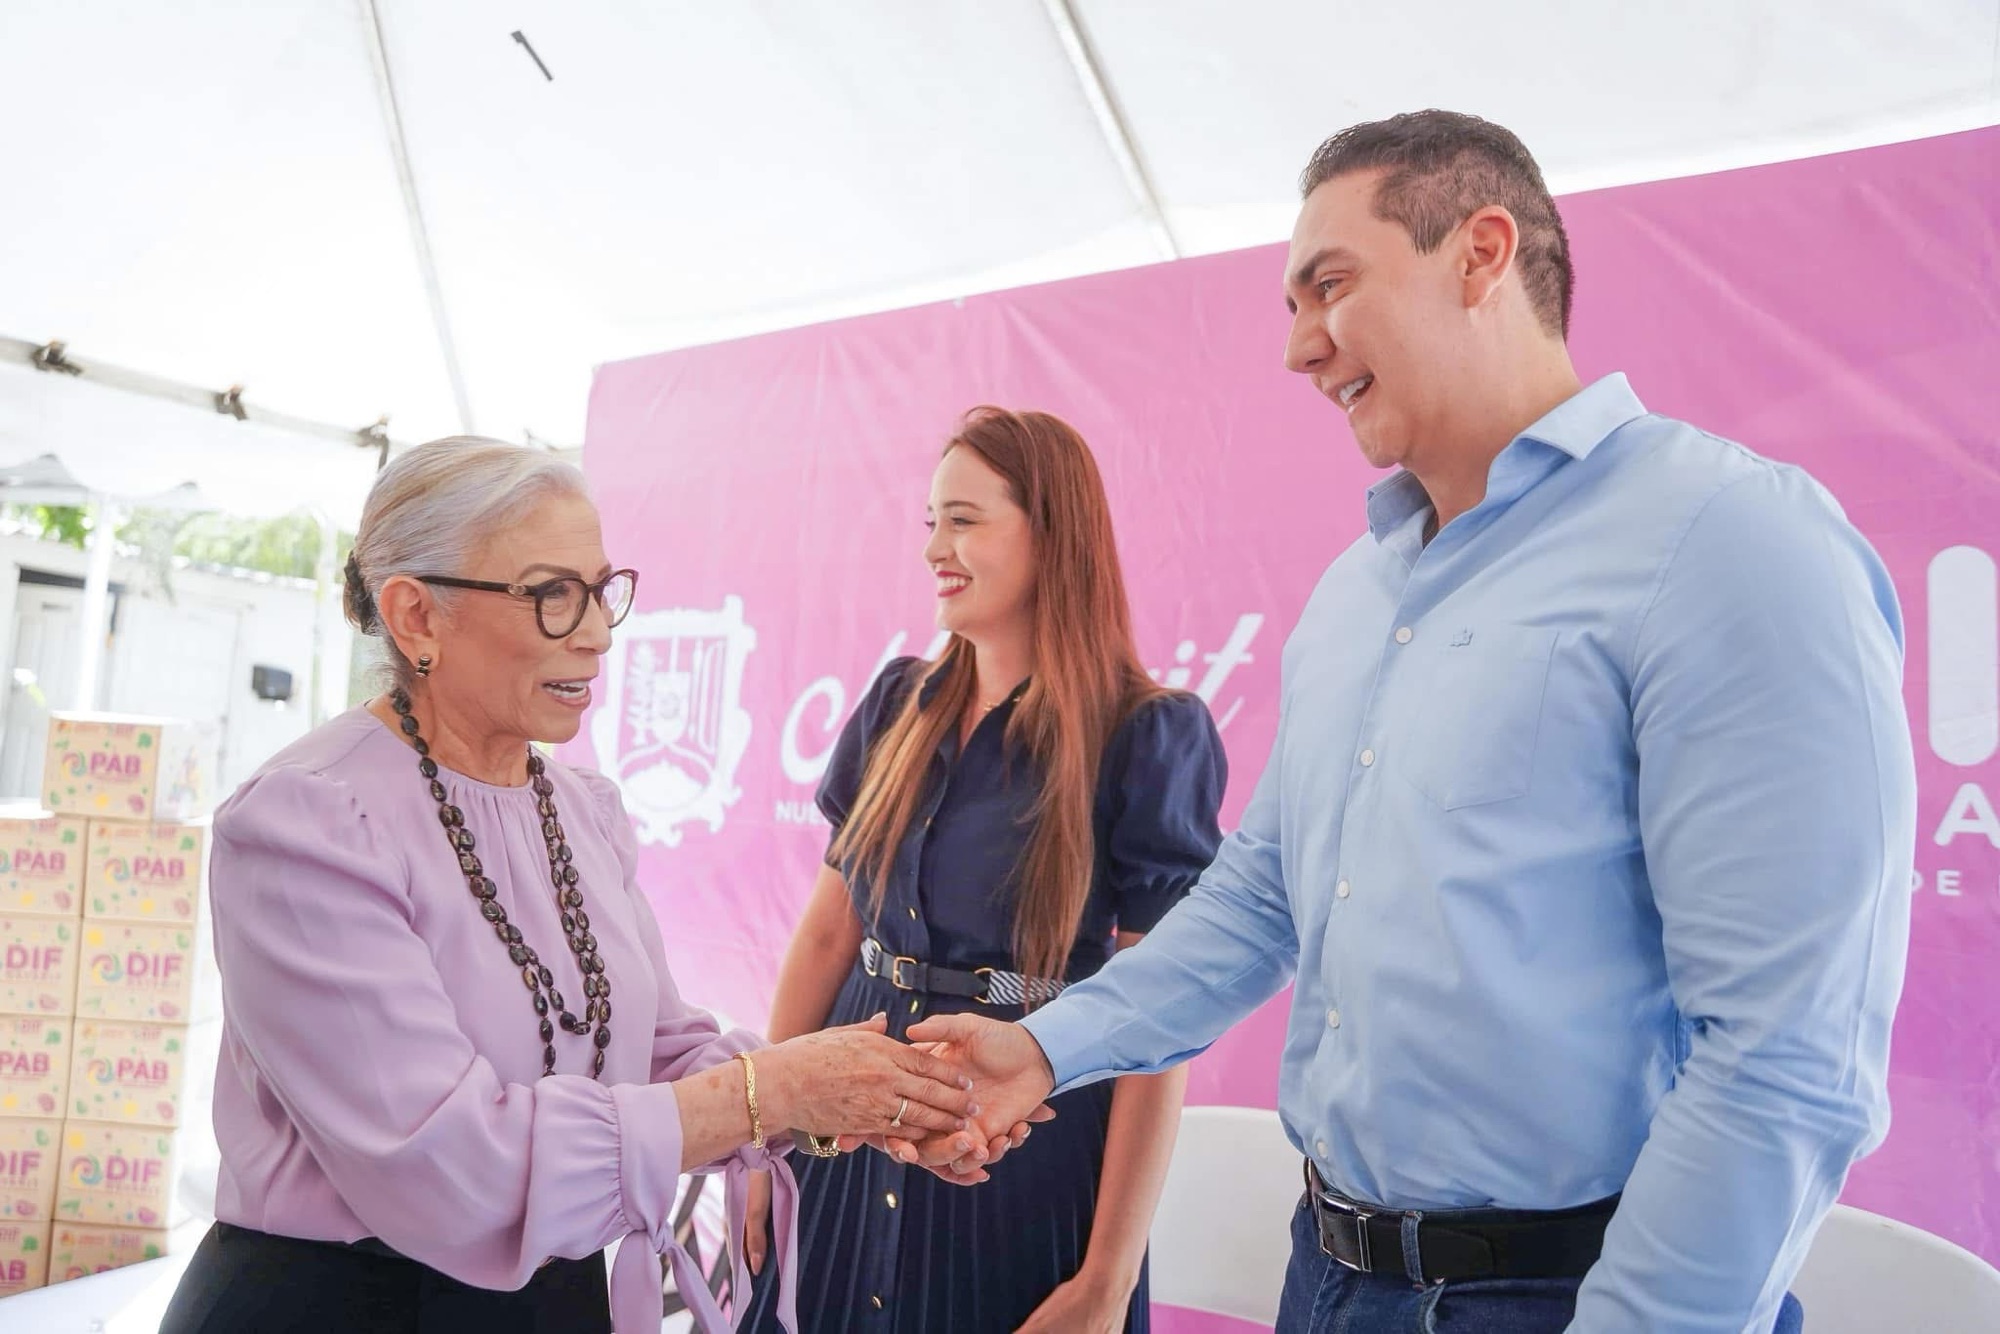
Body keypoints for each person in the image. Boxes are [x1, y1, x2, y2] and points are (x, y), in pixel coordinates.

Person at [898, 111, 1917, 1333]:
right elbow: (1259, 897)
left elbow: (1783, 1048)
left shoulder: (1730, 544)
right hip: (1325, 1272)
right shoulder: (1356, 590)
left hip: (1560, 1294)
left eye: (1327, 285)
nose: (1295, 347)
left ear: (1481, 252)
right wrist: (1047, 1046)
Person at [159, 438, 995, 1334]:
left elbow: (655, 1048)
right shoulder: (309, 824)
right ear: (415, 617)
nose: (596, 632)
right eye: (553, 596)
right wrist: (774, 1091)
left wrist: (871, 1089)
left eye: (601, 592)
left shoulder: (581, 809)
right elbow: (450, 1166)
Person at [740, 407, 1228, 1333]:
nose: (934, 547)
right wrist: (766, 1142)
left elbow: (1160, 1026)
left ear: (1053, 532)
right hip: (842, 1142)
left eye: (963, 519)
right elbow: (827, 934)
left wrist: (1106, 1280)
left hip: (1025, 1161)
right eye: (929, 521)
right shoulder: (898, 703)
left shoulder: (1148, 736)